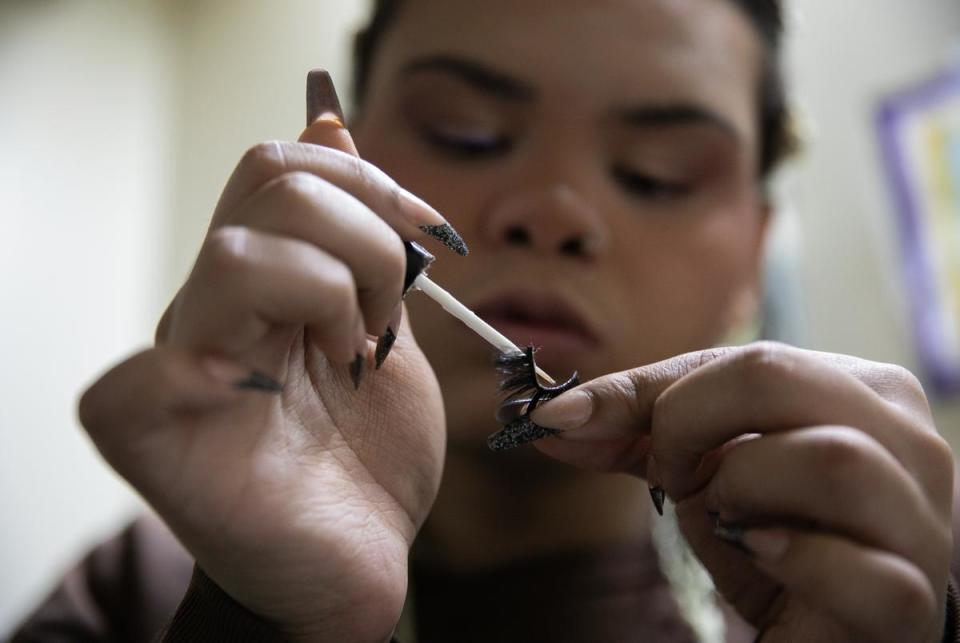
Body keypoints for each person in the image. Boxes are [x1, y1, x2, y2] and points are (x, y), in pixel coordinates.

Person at [11, 0, 959, 641]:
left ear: (754, 252)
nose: (552, 207)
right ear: (344, 160)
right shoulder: (145, 592)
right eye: (463, 130)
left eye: (656, 173)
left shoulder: (859, 593)